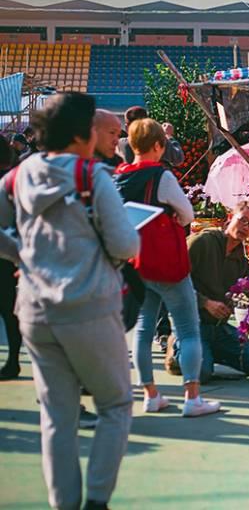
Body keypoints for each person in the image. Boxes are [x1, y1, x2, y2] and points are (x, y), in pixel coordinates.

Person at [0, 93, 140, 510]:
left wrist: (23, 253)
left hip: (34, 310)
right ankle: (97, 500)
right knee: (115, 403)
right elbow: (125, 241)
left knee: (57, 417)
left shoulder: (17, 176)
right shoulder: (91, 176)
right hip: (89, 306)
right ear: (84, 133)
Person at [114, 118, 220, 417]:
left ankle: (150, 394)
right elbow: (187, 214)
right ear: (159, 145)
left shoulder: (118, 176)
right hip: (168, 265)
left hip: (137, 262)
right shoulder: (161, 176)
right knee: (187, 329)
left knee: (143, 328)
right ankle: (193, 397)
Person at [169, 201, 249, 383]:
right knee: (201, 375)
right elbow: (173, 280)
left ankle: (207, 352)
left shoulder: (241, 262)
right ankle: (177, 346)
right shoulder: (202, 242)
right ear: (230, 217)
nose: (246, 228)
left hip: (218, 329)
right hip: (190, 323)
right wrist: (205, 302)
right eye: (243, 220)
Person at [0, 135, 21, 380]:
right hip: (10, 256)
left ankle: (13, 360)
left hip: (7, 254)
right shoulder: (14, 179)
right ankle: (14, 359)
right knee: (10, 312)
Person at [117, 106, 184, 168]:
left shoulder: (121, 144)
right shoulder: (156, 143)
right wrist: (168, 135)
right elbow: (178, 158)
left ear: (126, 127)